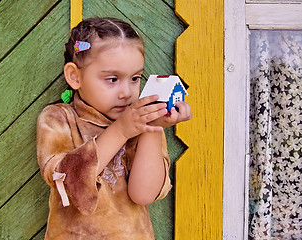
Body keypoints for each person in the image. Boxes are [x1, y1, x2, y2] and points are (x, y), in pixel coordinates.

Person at [36, 17, 192, 239]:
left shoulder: (141, 123)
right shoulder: (59, 118)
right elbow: (64, 179)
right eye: (112, 79)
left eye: (135, 78)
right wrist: (120, 131)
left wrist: (152, 128)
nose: (126, 92)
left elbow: (143, 194)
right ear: (75, 76)